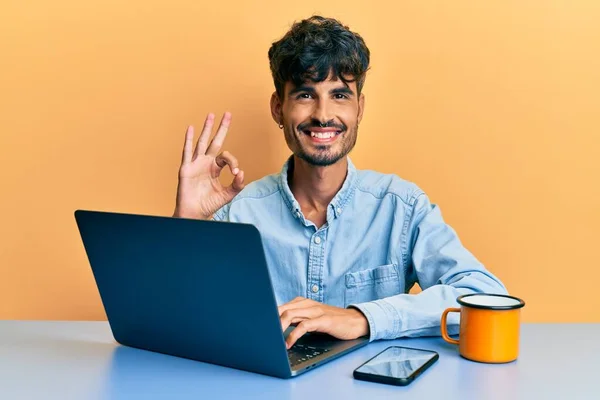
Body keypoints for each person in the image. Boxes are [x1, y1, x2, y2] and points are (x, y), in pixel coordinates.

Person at [172, 15, 507, 349]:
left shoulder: (401, 208)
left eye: (340, 95)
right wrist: (186, 221)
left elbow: (486, 296)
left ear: (359, 108)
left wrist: (361, 318)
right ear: (278, 108)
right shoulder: (238, 214)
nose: (323, 114)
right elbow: (174, 316)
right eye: (305, 95)